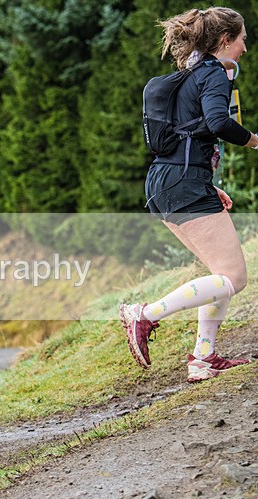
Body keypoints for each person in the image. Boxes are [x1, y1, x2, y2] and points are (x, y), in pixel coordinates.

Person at [120, 7, 257, 383]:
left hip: (169, 181)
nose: (245, 48)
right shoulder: (213, 72)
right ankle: (144, 314)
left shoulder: (189, 75)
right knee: (233, 277)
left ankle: (203, 357)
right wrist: (254, 141)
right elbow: (218, 122)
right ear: (225, 40)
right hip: (182, 183)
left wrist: (206, 183)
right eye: (242, 39)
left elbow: (188, 136)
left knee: (221, 274)